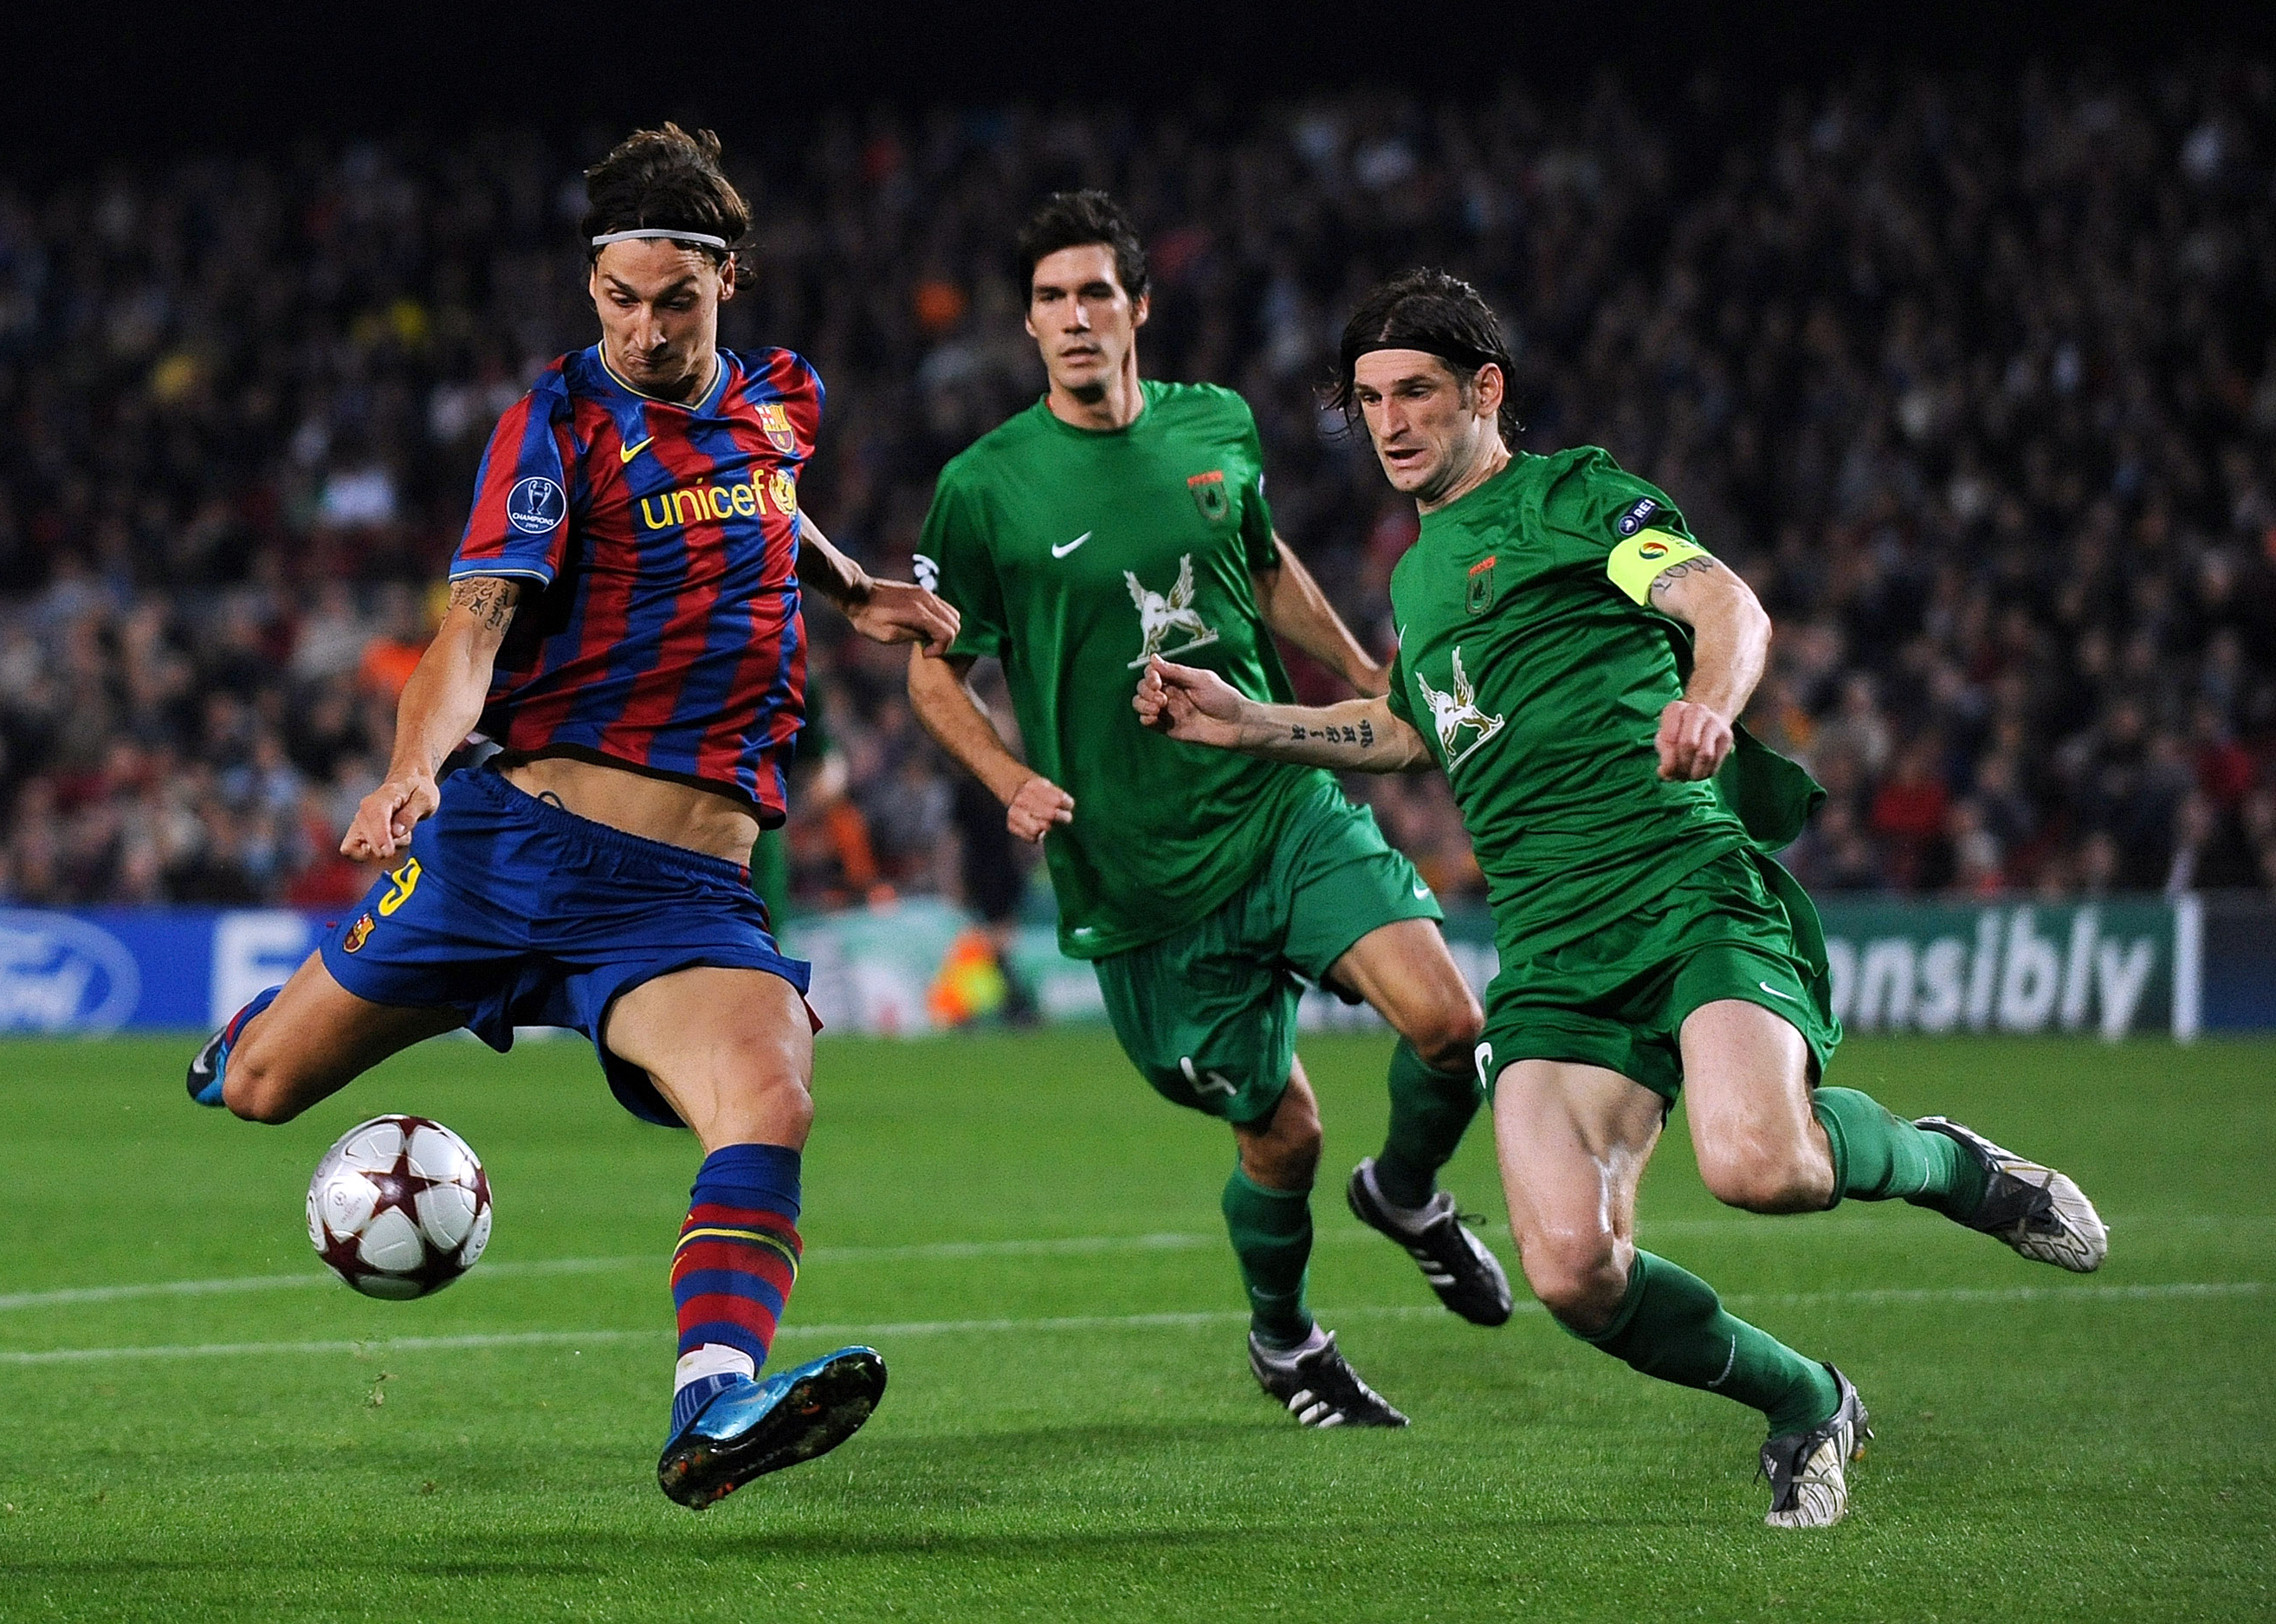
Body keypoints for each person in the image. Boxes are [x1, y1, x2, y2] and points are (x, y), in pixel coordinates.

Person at [1134, 267, 2106, 1523]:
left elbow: (1724, 603)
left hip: (1682, 885)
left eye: (1416, 391)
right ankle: (1809, 1398)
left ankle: (1948, 1166)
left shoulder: (1575, 496)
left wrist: (1709, 698)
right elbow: (1410, 729)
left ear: (1486, 391)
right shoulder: (1420, 578)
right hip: (1550, 948)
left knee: (1762, 1164)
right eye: (1368, 399)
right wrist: (1248, 719)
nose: (1389, 423)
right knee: (1572, 1268)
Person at [184, 125, 960, 1511]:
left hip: (686, 896)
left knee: (769, 1089)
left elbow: (771, 506)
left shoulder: (784, 400)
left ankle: (713, 1400)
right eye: (620, 298)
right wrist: (412, 765)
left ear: (732, 283)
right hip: (515, 849)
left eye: (678, 300)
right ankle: (255, 1021)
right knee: (261, 1091)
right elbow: (472, 629)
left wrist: (854, 591)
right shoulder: (556, 426)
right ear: (590, 283)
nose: (648, 329)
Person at [907, 194, 1508, 1431]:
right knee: (1281, 1131)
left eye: (1095, 293)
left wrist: (1362, 676)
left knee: (1453, 1026)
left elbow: (1264, 562)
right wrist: (1008, 775)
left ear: (1138, 306)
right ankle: (1286, 1342)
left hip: (1278, 804)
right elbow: (931, 667)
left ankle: (1404, 1192)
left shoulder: (1216, 423)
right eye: (1051, 298)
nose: (1075, 317)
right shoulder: (984, 490)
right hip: (1137, 885)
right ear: (1027, 324)